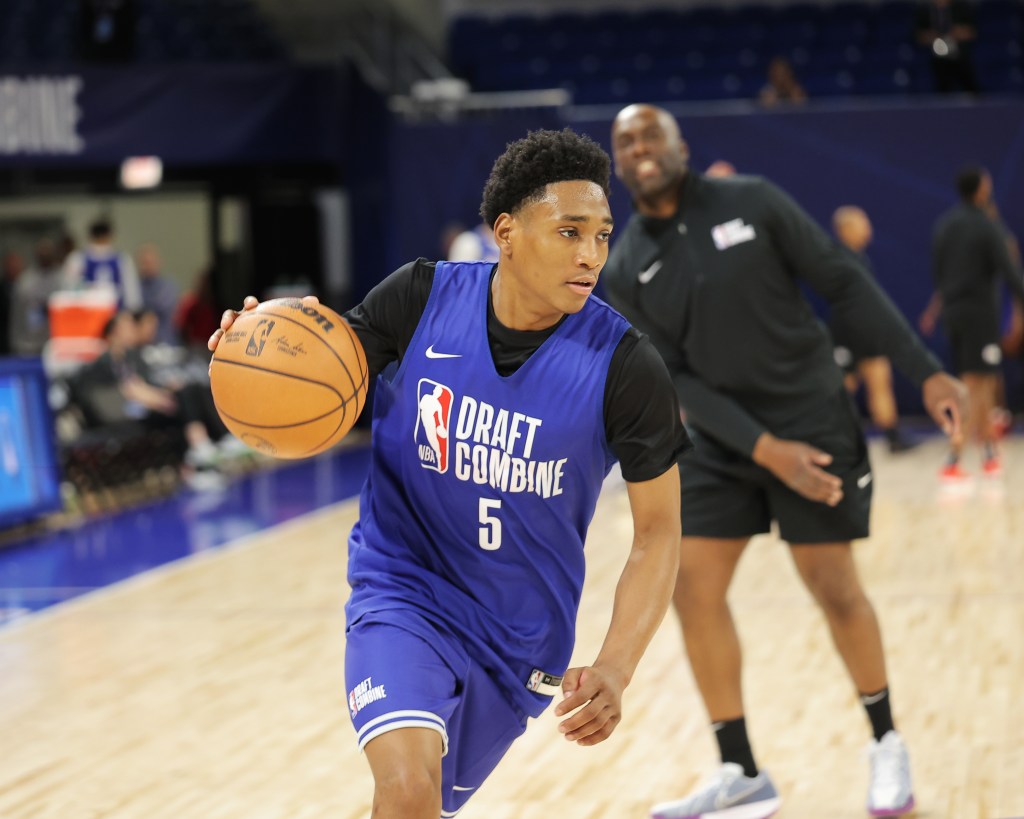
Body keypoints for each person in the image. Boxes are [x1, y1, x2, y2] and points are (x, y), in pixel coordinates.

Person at [209, 128, 690, 818]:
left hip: (517, 641)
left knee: (418, 804)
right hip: (403, 590)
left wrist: (616, 665)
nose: (590, 255)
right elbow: (318, 370)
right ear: (507, 232)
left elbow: (659, 532)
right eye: (569, 231)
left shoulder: (626, 366)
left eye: (602, 235)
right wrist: (257, 354)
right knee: (406, 788)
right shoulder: (421, 297)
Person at [604, 104, 967, 819]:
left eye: (651, 134)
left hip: (811, 416)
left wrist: (923, 369)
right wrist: (767, 451)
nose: (639, 147)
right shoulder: (625, 266)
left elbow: (843, 282)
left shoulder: (754, 200)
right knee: (693, 588)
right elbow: (674, 380)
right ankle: (741, 771)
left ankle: (885, 740)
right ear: (617, 162)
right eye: (625, 141)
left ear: (681, 146)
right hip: (721, 441)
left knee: (832, 584)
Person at [929, 165, 1024, 479]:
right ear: (982, 189)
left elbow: (939, 275)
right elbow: (1010, 271)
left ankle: (988, 454)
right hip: (980, 316)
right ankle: (953, 458)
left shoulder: (944, 225)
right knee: (973, 385)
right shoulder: (986, 225)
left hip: (955, 316)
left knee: (982, 383)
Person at [829, 206, 917, 454]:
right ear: (846, 229)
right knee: (841, 387)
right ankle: (828, 436)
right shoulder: (839, 259)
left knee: (880, 380)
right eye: (862, 222)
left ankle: (892, 435)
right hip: (847, 333)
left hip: (866, 333)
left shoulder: (859, 258)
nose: (868, 228)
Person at [63, 217, 142, 310]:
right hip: (91, 313)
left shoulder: (77, 259)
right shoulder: (78, 259)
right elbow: (132, 295)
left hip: (113, 315)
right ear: (111, 236)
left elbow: (68, 290)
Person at [9, 240, 67, 357]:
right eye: (42, 255)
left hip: (56, 343)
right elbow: (16, 315)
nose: (45, 257)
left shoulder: (63, 279)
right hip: (29, 344)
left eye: (48, 254)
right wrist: (16, 342)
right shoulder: (25, 281)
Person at [914, 0, 979, 94]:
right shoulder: (924, 11)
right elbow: (917, 36)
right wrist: (930, 36)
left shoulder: (962, 8)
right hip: (935, 58)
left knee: (969, 80)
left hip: (960, 57)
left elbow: (973, 32)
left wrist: (959, 33)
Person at [136, 243, 180, 346]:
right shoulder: (136, 287)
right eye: (144, 263)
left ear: (158, 262)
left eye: (150, 262)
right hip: (142, 345)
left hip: (166, 341)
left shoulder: (168, 286)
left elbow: (159, 308)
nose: (147, 266)